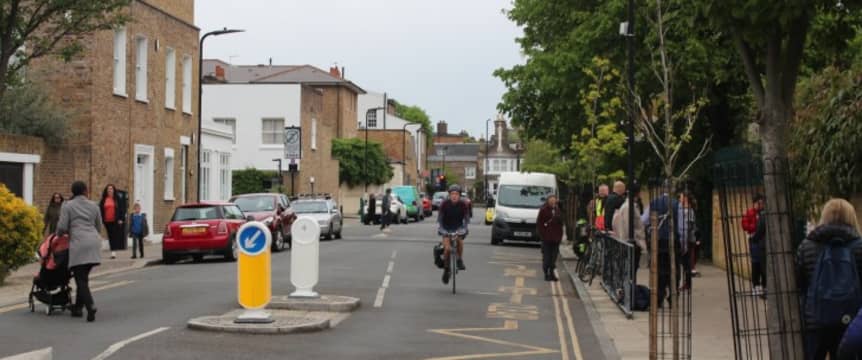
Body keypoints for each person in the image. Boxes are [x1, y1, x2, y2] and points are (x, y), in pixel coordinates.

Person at [797, 198, 862, 360]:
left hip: (815, 320)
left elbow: (799, 283)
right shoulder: (859, 246)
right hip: (850, 321)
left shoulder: (807, 246)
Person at [56, 181, 102, 322]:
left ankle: (90, 306)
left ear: (73, 192)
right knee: (84, 277)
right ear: (85, 191)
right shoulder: (94, 205)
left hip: (79, 243)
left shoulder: (68, 206)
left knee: (80, 279)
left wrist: (59, 235)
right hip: (94, 242)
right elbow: (98, 225)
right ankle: (77, 308)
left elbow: (62, 226)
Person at [641, 181, 677, 308]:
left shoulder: (654, 203)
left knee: (659, 270)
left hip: (658, 241)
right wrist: (683, 245)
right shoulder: (677, 204)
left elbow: (643, 221)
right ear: (672, 189)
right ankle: (673, 298)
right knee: (673, 269)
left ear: (662, 189)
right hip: (673, 241)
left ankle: (659, 297)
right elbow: (682, 228)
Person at [438, 185, 470, 284]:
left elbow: (466, 219)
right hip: (446, 228)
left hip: (458, 228)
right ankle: (446, 269)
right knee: (447, 249)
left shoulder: (463, 204)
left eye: (456, 194)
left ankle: (459, 260)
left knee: (460, 241)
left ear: (459, 195)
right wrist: (442, 230)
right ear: (449, 195)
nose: (454, 196)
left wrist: (464, 229)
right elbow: (440, 219)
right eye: (452, 194)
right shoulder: (444, 204)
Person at [612, 183, 645, 278]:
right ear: (638, 193)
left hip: (630, 243)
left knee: (631, 272)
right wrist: (637, 242)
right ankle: (629, 291)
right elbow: (628, 227)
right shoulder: (629, 207)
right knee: (630, 272)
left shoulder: (630, 206)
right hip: (631, 244)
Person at [742, 194, 766, 296]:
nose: (761, 205)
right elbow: (744, 225)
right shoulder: (750, 212)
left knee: (764, 263)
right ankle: (756, 286)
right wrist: (755, 226)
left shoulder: (764, 213)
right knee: (755, 263)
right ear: (755, 203)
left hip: (763, 240)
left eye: (762, 203)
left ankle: (764, 286)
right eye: (759, 203)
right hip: (754, 240)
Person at [537, 194, 564, 281]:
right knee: (547, 258)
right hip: (547, 238)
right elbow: (539, 224)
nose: (553, 202)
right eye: (551, 200)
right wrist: (543, 235)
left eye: (554, 200)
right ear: (548, 201)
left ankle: (552, 274)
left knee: (553, 258)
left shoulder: (558, 210)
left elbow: (561, 222)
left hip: (556, 238)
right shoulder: (543, 210)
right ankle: (546, 274)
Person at [99, 184, 127, 259]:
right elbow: (100, 210)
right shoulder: (104, 199)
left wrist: (121, 219)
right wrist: (101, 220)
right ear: (106, 190)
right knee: (110, 235)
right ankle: (113, 250)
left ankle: (113, 252)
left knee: (114, 236)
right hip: (106, 221)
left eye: (111, 189)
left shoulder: (117, 199)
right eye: (108, 189)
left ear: (114, 190)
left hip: (115, 220)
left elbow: (122, 209)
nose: (110, 190)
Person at [676, 191, 696, 291]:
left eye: (681, 197)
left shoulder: (689, 211)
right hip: (684, 238)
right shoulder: (682, 209)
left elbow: (689, 226)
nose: (680, 199)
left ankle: (687, 283)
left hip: (687, 239)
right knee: (684, 263)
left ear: (686, 199)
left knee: (686, 263)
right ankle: (686, 283)